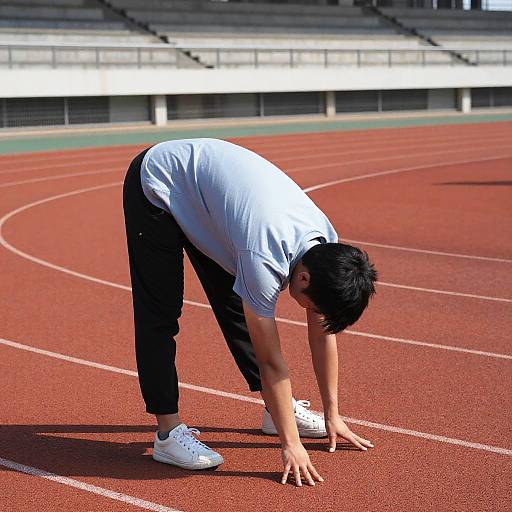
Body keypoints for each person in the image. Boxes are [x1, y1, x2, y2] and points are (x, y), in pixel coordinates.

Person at [123, 138, 377, 486]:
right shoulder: (264, 255)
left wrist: (334, 414)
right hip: (160, 183)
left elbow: (323, 333)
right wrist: (292, 445)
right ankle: (167, 434)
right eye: (313, 306)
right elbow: (270, 360)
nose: (312, 314)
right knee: (161, 314)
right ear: (302, 278)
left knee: (239, 305)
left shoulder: (326, 247)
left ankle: (278, 410)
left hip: (210, 202)